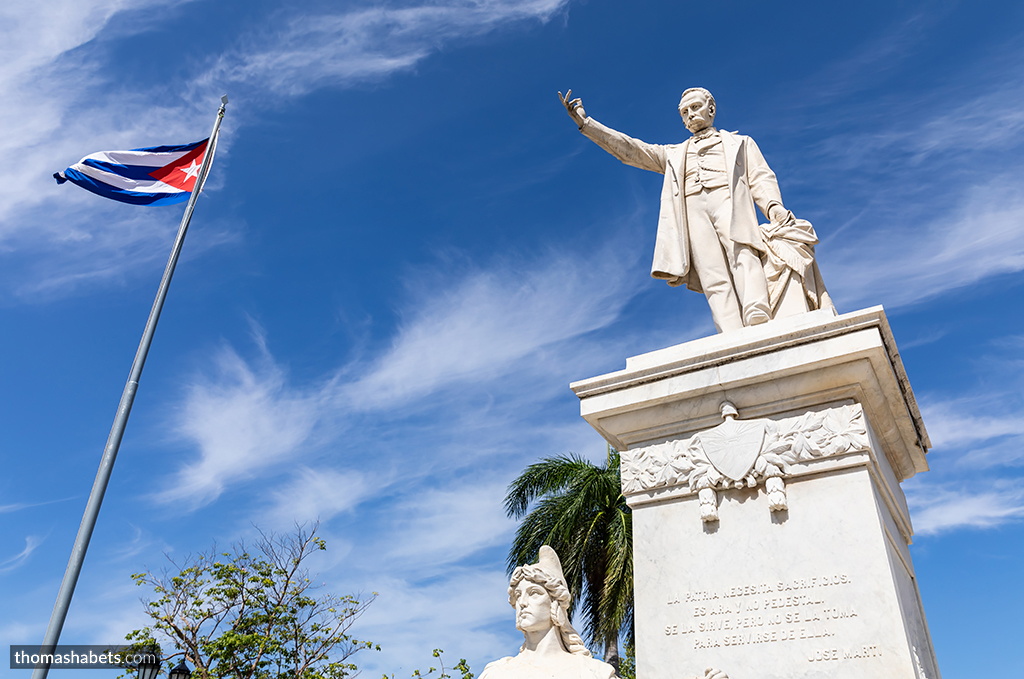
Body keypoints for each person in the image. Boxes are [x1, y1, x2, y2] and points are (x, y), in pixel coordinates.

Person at [559, 87, 830, 333]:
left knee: (743, 253)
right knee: (712, 272)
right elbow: (631, 150)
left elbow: (761, 177)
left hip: (728, 199)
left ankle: (757, 314)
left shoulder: (740, 143)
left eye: (696, 107)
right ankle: (730, 330)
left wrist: (773, 207)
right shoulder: (674, 153)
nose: (691, 114)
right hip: (693, 208)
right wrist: (587, 124)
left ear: (711, 109)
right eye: (685, 112)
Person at [479, 546, 728, 679]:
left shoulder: (592, 673)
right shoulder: (498, 673)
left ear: (555, 603)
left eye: (533, 593)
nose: (522, 602)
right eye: (518, 596)